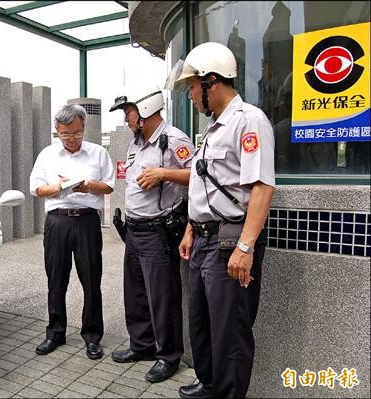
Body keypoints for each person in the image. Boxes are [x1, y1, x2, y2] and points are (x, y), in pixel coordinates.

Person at [167, 42, 275, 398]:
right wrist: (188, 230)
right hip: (202, 240)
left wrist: (245, 247)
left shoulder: (248, 121)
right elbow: (202, 186)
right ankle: (209, 384)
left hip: (229, 241)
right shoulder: (214, 128)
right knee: (201, 323)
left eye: (193, 87)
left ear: (212, 81)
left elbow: (261, 187)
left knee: (229, 332)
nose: (191, 96)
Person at [109, 85, 194, 383]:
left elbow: (199, 175)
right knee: (136, 294)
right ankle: (142, 345)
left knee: (163, 298)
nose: (126, 120)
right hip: (134, 231)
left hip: (158, 233)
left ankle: (169, 356)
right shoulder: (137, 142)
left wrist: (163, 173)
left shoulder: (173, 140)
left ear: (145, 111)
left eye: (128, 113)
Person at [29, 104, 115, 360]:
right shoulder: (47, 154)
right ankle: (55, 332)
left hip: (87, 222)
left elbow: (109, 186)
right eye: (65, 134)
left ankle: (92, 336)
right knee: (56, 280)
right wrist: (59, 187)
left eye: (76, 133)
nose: (71, 139)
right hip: (57, 222)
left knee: (91, 280)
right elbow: (36, 189)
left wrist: (88, 186)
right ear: (57, 131)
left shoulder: (98, 153)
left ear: (84, 128)